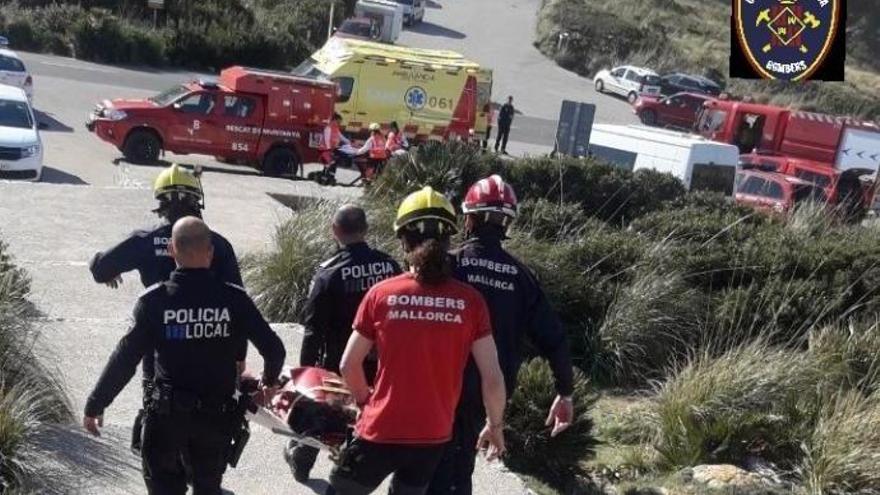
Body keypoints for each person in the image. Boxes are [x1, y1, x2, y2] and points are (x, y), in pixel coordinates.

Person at [83, 217, 286, 495]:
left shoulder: (153, 302)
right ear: (210, 252)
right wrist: (269, 383)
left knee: (164, 486)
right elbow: (274, 349)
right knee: (208, 486)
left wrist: (96, 404)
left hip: (167, 419)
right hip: (216, 420)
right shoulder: (235, 299)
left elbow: (125, 359)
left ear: (171, 251)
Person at [329, 187, 507, 495]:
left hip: (380, 429)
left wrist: (363, 400)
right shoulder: (471, 302)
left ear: (403, 239)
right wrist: (495, 425)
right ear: (450, 239)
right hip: (434, 436)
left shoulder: (382, 295)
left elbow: (349, 364)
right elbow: (492, 378)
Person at [428, 175, 575, 495]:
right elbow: (555, 338)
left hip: (440, 383)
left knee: (426, 463)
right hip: (488, 391)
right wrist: (565, 392)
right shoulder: (523, 278)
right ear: (506, 224)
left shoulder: (450, 265)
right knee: (460, 463)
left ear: (468, 218)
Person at [89, 163, 244, 452]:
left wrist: (106, 267)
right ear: (196, 199)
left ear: (160, 202)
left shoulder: (144, 241)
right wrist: (239, 356)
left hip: (160, 340)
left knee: (158, 403)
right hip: (213, 338)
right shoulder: (216, 244)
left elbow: (100, 268)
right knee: (211, 413)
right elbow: (239, 301)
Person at [286, 204, 401, 484]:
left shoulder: (330, 273)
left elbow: (314, 328)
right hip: (380, 363)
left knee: (324, 416)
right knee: (364, 420)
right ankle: (352, 468)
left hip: (340, 361)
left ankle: (303, 459)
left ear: (335, 231)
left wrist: (306, 373)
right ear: (365, 230)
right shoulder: (390, 266)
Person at [320, 113, 355, 182]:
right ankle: (324, 177)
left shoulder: (336, 128)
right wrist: (329, 150)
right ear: (334, 120)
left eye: (340, 122)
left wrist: (350, 142)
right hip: (325, 149)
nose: (339, 123)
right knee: (331, 162)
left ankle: (331, 176)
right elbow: (326, 140)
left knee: (337, 160)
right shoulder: (328, 128)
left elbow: (342, 137)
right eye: (338, 121)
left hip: (333, 148)